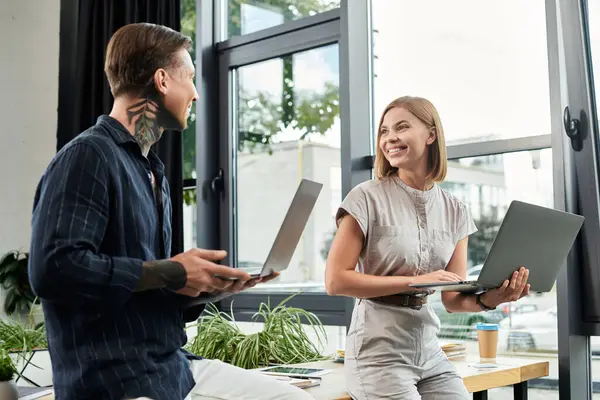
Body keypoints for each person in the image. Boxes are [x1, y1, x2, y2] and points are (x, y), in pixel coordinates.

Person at [29, 23, 313, 400]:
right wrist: (173, 270)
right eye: (190, 78)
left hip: (171, 366)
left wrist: (202, 288)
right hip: (115, 380)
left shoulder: (153, 172)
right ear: (162, 80)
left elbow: (145, 288)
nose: (195, 94)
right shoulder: (87, 158)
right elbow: (53, 269)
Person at [325, 96, 530, 400]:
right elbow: (335, 281)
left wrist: (494, 298)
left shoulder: (455, 210)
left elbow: (453, 299)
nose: (390, 137)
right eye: (384, 131)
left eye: (402, 127)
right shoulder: (365, 198)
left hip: (431, 353)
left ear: (431, 135)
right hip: (378, 354)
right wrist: (414, 281)